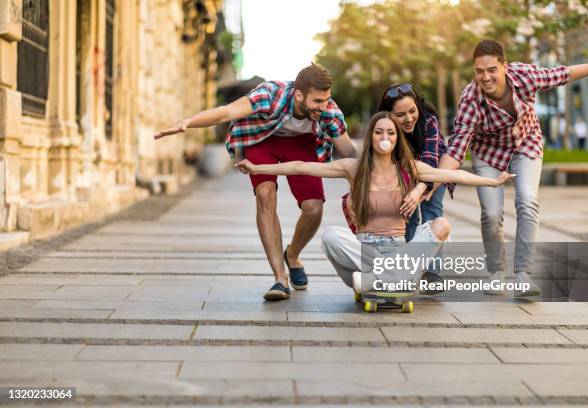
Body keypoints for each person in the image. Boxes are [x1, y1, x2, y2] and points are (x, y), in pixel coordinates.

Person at [235, 111, 514, 296]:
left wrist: (493, 182)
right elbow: (301, 167)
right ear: (372, 136)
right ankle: (393, 281)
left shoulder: (409, 168)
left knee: (441, 224)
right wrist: (258, 167)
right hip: (363, 255)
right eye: (379, 132)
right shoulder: (354, 168)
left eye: (391, 133)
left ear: (397, 138)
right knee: (332, 235)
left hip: (397, 251)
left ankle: (378, 283)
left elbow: (452, 174)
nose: (385, 138)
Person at [154, 64, 358, 301]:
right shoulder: (269, 95)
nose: (323, 106)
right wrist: (188, 121)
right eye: (317, 101)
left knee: (313, 207)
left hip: (302, 143)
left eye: (326, 99)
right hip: (262, 138)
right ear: (299, 95)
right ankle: (280, 279)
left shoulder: (328, 111)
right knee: (265, 194)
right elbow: (225, 113)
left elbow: (350, 155)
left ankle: (292, 254)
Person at [435, 38, 588, 297]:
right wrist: (431, 183)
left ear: (504, 66)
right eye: (479, 71)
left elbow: (563, 73)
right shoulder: (470, 98)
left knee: (527, 200)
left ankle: (523, 276)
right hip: (488, 154)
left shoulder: (525, 76)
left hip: (525, 145)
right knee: (492, 213)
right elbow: (457, 147)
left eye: (491, 69)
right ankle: (496, 272)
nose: (485, 77)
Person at [377, 83, 450, 293]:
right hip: (403, 172)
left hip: (433, 168)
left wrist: (419, 191)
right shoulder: (383, 127)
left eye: (412, 111)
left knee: (432, 212)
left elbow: (430, 161)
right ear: (388, 115)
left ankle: (432, 274)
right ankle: (407, 268)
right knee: (406, 214)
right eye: (400, 114)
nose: (408, 119)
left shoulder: (429, 121)